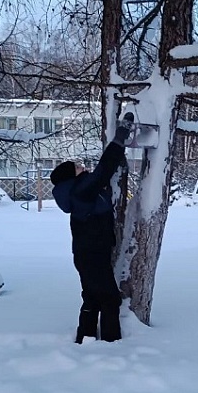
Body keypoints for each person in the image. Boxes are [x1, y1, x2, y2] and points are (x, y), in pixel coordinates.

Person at [50, 114, 132, 344]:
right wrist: (119, 139)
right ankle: (111, 342)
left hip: (87, 254)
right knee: (109, 298)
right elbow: (104, 170)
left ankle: (85, 338)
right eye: (77, 167)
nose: (82, 167)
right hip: (93, 255)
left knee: (92, 297)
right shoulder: (81, 190)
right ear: (70, 176)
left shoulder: (75, 192)